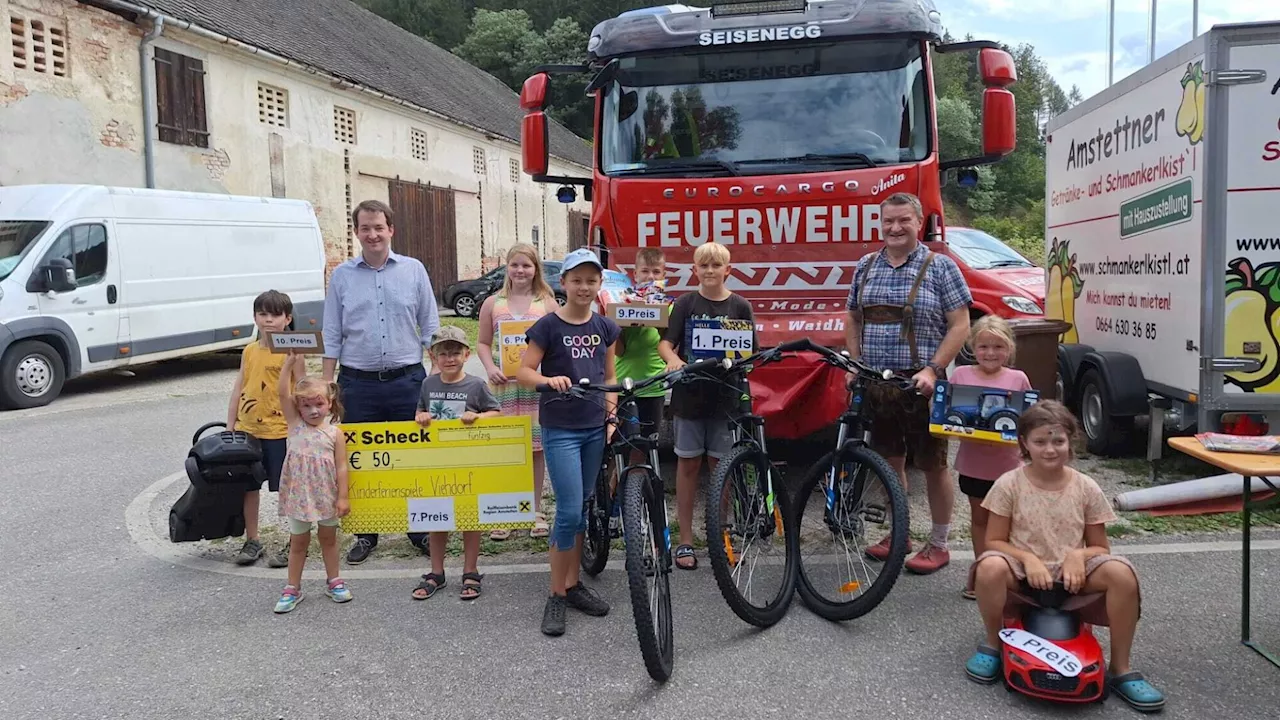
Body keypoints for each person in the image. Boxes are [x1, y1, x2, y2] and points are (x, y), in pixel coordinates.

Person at [964, 401, 1164, 712]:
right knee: (989, 567)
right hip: (1022, 577)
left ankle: (1121, 669)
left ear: (1071, 442)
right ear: (1025, 444)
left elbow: (1100, 548)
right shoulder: (1009, 484)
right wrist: (1027, 559)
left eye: (1058, 441)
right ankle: (992, 645)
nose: (1049, 449)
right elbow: (993, 541)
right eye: (1040, 441)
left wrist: (1077, 556)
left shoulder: (1086, 487)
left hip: (1072, 579)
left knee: (1121, 574)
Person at [845, 192, 971, 575]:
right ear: (880, 224)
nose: (895, 228)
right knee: (888, 462)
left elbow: (961, 324)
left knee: (933, 465)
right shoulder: (866, 266)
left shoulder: (941, 267)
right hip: (878, 385)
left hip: (924, 386)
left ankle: (939, 542)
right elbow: (852, 318)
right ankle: (899, 534)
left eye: (903, 220)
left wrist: (934, 369)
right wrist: (854, 362)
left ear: (919, 223)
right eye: (888, 221)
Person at [321, 199, 440, 564]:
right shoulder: (342, 276)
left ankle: (418, 529)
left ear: (391, 230)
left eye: (378, 227)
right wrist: (327, 386)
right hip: (358, 384)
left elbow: (431, 326)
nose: (372, 234)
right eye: (365, 228)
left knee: (414, 457)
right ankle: (366, 532)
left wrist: (436, 377)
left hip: (408, 380)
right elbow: (332, 333)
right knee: (360, 460)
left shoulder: (414, 270)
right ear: (356, 232)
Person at [518, 248, 620, 637]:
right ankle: (556, 594)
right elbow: (523, 372)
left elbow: (610, 376)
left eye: (591, 280)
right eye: (576, 279)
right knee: (569, 510)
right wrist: (549, 381)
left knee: (582, 507)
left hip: (595, 427)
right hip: (561, 428)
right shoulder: (547, 326)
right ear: (564, 283)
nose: (584, 286)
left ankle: (574, 584)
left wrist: (611, 416)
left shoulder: (606, 327)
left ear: (599, 285)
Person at [658, 242, 756, 571]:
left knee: (722, 470)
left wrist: (744, 363)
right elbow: (666, 343)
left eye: (717, 265)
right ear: (694, 270)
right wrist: (673, 360)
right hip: (689, 399)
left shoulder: (741, 306)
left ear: (728, 270)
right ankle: (685, 539)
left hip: (726, 400)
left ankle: (720, 537)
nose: (710, 271)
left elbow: (751, 354)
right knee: (687, 468)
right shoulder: (685, 303)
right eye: (704, 265)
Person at [411, 326, 502, 601]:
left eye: (455, 353)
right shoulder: (428, 384)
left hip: (469, 461)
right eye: (443, 353)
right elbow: (419, 411)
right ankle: (436, 572)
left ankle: (470, 571)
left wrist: (478, 417)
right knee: (437, 517)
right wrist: (422, 416)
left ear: (467, 354)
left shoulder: (475, 384)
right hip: (438, 463)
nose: (449, 359)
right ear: (433, 356)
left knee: (469, 518)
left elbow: (496, 413)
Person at [476, 244, 557, 541]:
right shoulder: (492, 303)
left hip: (534, 387)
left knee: (537, 449)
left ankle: (535, 510)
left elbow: (556, 342)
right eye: (515, 265)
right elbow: (483, 342)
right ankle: (507, 511)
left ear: (536, 269)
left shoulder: (546, 303)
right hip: (503, 386)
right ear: (507, 267)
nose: (520, 270)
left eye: (527, 265)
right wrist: (488, 367)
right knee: (505, 449)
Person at [949, 315, 1031, 600]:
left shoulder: (1017, 378)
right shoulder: (960, 375)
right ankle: (982, 574)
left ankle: (1007, 575)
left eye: (998, 347)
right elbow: (948, 416)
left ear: (1009, 348)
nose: (991, 353)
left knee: (1007, 522)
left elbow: (1027, 419)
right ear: (973, 346)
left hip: (1008, 465)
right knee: (980, 519)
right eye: (983, 347)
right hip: (974, 464)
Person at [227, 290, 303, 568]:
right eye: (263, 314)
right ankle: (253, 538)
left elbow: (303, 388)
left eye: (275, 315)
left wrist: (304, 427)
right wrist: (231, 424)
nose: (269, 320)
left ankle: (296, 538)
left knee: (288, 487)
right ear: (255, 317)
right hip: (249, 430)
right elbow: (239, 387)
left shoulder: (293, 352)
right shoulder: (249, 351)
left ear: (287, 318)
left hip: (281, 431)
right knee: (249, 486)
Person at [273, 354, 352, 613]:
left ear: (329, 403)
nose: (314, 410)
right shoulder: (294, 425)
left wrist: (343, 496)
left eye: (319, 404)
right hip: (299, 496)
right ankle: (292, 587)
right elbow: (283, 393)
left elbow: (342, 466)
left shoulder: (334, 433)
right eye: (306, 406)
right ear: (298, 407)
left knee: (329, 539)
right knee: (298, 542)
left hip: (326, 495)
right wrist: (288, 365)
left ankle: (334, 581)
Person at [614, 248, 669, 516]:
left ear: (663, 275)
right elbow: (618, 350)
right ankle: (616, 499)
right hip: (625, 384)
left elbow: (669, 345)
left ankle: (638, 503)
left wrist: (657, 317)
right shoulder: (623, 301)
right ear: (635, 275)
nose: (650, 276)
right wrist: (623, 323)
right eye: (644, 272)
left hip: (654, 385)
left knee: (645, 447)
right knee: (621, 446)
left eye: (655, 272)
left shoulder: (668, 305)